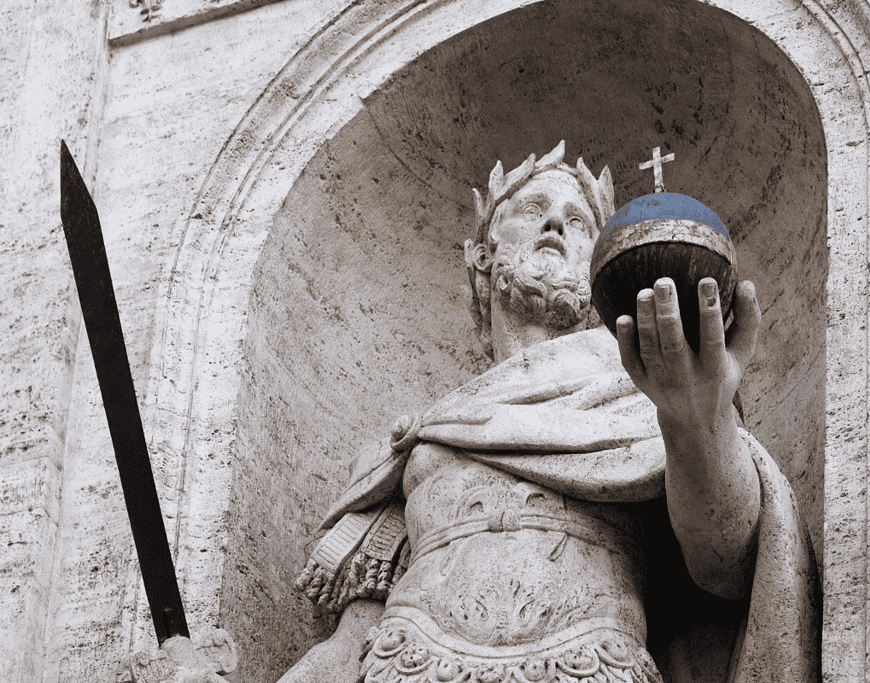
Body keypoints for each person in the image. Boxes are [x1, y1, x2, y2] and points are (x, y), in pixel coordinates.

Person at [284, 142, 819, 683]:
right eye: (532, 209)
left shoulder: (654, 394)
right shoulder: (420, 437)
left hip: (589, 668)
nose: (556, 224)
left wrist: (697, 423)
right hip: (409, 667)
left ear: (599, 265)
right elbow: (353, 636)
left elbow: (726, 566)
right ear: (483, 254)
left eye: (579, 222)